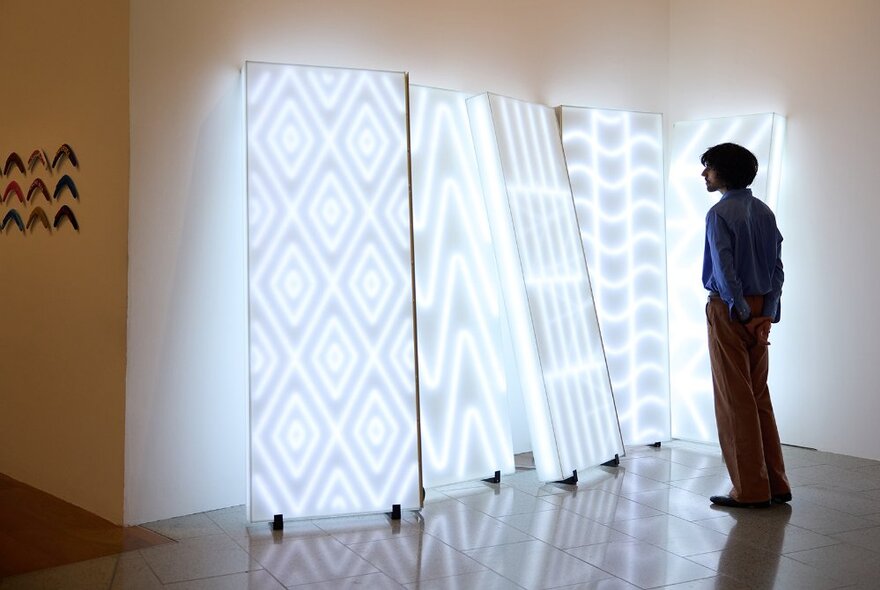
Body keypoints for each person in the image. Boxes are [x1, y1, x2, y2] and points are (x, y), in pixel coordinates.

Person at [700, 142, 791, 508]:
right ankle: (777, 483)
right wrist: (765, 314)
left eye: (708, 168)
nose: (704, 174)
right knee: (758, 397)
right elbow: (777, 270)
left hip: (730, 310)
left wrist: (739, 310)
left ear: (723, 172)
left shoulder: (719, 214)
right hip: (760, 312)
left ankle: (750, 489)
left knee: (734, 399)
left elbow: (724, 269)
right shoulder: (765, 212)